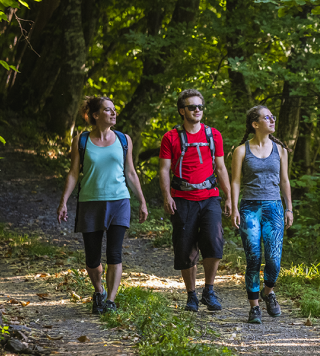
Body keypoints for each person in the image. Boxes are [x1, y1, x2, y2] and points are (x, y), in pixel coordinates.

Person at [57, 96, 148, 314]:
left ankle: (111, 301)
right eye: (108, 110)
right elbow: (73, 173)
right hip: (90, 202)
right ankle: (99, 291)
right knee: (92, 258)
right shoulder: (82, 140)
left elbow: (131, 173)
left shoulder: (124, 140)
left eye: (114, 110)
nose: (113, 113)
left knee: (114, 254)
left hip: (119, 201)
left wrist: (142, 202)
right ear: (96, 115)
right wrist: (64, 202)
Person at [158, 89, 234, 312]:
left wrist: (228, 197)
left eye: (200, 107)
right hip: (182, 198)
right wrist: (166, 196)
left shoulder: (214, 135)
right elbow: (163, 169)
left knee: (214, 243)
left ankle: (208, 291)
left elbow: (220, 168)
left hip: (210, 197)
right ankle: (191, 295)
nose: (197, 110)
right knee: (185, 248)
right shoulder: (170, 137)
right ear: (182, 111)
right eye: (192, 107)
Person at [229, 105, 293, 324]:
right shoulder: (241, 151)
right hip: (249, 208)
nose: (272, 120)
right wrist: (234, 206)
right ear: (255, 124)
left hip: (274, 208)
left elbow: (285, 180)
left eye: (273, 116)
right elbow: (235, 181)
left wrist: (289, 208)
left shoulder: (280, 150)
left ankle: (268, 291)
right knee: (254, 257)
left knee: (274, 260)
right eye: (267, 117)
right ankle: (254, 307)